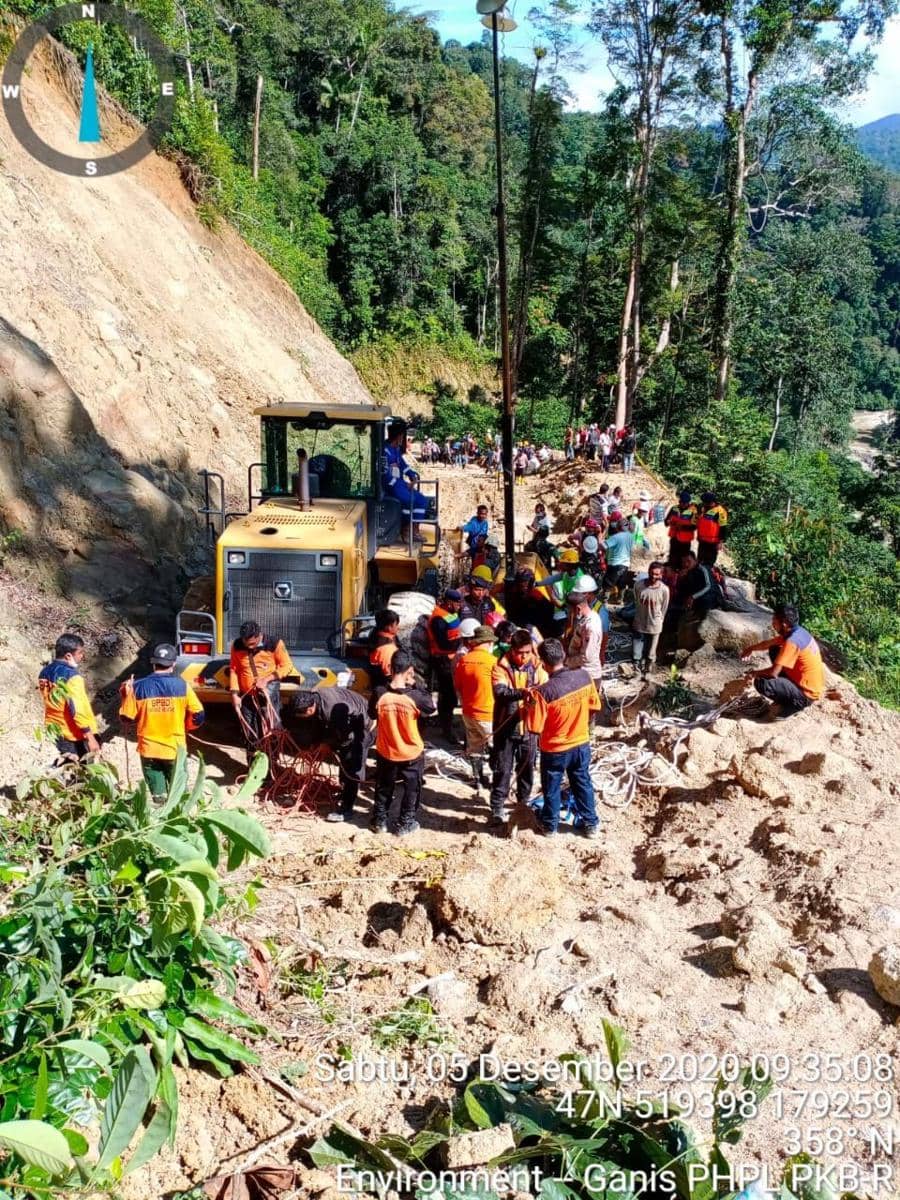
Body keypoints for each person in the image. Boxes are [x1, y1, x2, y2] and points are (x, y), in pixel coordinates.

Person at [524, 639, 601, 838]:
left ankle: (550, 826)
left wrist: (528, 705)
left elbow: (534, 727)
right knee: (582, 782)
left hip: (555, 749)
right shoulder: (584, 676)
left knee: (552, 787)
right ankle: (591, 824)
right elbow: (594, 707)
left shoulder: (543, 693)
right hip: (581, 743)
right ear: (563, 655)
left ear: (543, 663)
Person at [119, 644, 204, 798]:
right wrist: (187, 726)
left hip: (149, 750)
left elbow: (126, 718)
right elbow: (198, 715)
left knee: (159, 798)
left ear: (153, 664)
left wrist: (126, 694)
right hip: (175, 750)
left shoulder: (138, 687)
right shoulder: (182, 686)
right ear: (173, 664)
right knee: (178, 797)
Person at [369, 652, 436, 834]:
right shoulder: (416, 696)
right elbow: (431, 707)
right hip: (411, 752)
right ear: (410, 671)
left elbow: (372, 715)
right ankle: (405, 824)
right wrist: (415, 684)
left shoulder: (379, 692)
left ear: (390, 668)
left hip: (386, 749)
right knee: (411, 789)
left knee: (384, 786)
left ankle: (379, 821)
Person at [293, 686, 374, 822]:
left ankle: (347, 808)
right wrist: (316, 743)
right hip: (348, 721)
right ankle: (344, 791)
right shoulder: (315, 697)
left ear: (310, 709)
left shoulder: (333, 711)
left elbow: (346, 738)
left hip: (365, 725)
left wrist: (328, 745)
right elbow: (318, 723)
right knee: (344, 759)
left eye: (302, 715)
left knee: (352, 765)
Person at [229, 621, 297, 766]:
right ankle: (253, 767)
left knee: (270, 729)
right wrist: (234, 694)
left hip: (268, 695)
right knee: (249, 731)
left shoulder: (274, 643)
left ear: (259, 635)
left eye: (253, 644)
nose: (250, 647)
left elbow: (287, 666)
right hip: (246, 697)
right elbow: (234, 669)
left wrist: (266, 679)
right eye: (247, 644)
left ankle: (272, 765)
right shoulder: (237, 645)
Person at [740, 604, 825, 718]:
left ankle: (791, 706)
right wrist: (750, 649)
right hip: (806, 684)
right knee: (774, 649)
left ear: (784, 624)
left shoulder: (792, 642)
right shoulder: (798, 632)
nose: (773, 624)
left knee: (761, 682)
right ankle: (785, 689)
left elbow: (773, 673)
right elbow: (769, 643)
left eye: (774, 621)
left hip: (806, 695)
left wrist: (753, 673)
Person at [38, 632, 100, 760]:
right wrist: (90, 737)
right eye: (80, 653)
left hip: (54, 730)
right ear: (68, 655)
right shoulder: (72, 677)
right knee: (80, 773)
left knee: (64, 770)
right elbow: (78, 710)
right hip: (73, 735)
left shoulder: (44, 672)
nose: (82, 656)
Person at [453, 623, 498, 795]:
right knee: (495, 748)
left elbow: (458, 686)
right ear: (487, 642)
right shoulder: (492, 662)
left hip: (468, 712)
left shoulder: (463, 660)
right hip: (487, 713)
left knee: (475, 747)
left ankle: (478, 780)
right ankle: (496, 781)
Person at [427, 588, 464, 740]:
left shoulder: (450, 613)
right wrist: (459, 645)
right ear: (449, 603)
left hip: (452, 659)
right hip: (443, 661)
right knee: (448, 695)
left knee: (452, 694)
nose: (459, 606)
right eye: (457, 603)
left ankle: (447, 721)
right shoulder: (438, 619)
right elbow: (443, 644)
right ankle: (446, 729)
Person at [564, 576, 605, 696]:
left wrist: (567, 662)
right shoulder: (586, 618)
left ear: (577, 609)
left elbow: (586, 657)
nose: (570, 614)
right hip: (581, 674)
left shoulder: (590, 627)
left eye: (570, 611)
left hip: (588, 676)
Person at [383, 420, 431, 520]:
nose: (403, 439)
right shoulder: (384, 451)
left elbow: (403, 465)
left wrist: (412, 474)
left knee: (422, 500)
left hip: (399, 484)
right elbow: (385, 476)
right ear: (398, 436)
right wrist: (405, 485)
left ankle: (414, 529)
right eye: (402, 436)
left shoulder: (396, 450)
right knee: (409, 500)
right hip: (390, 486)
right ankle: (405, 528)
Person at [632, 562, 670, 677]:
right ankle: (636, 669)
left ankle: (648, 669)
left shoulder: (664, 590)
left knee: (651, 651)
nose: (654, 576)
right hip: (639, 622)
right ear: (648, 572)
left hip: (655, 624)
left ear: (661, 575)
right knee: (637, 650)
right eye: (652, 573)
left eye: (657, 574)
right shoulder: (639, 585)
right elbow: (636, 600)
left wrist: (659, 619)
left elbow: (664, 607)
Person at [535, 547, 583, 625]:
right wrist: (537, 583)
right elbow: (553, 578)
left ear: (569, 565)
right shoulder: (567, 573)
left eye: (563, 563)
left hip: (575, 611)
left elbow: (576, 605)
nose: (559, 564)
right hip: (567, 606)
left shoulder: (579, 581)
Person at [503, 568, 556, 637]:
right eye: (522, 582)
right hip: (513, 619)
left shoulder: (535, 594)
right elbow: (495, 589)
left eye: (526, 582)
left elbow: (549, 610)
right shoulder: (511, 587)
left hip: (530, 623)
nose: (524, 585)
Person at [665, 490, 698, 570]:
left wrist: (682, 527)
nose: (682, 504)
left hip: (685, 541)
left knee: (683, 562)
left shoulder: (693, 511)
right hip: (674, 538)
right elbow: (666, 521)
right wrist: (668, 522)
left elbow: (694, 526)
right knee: (672, 560)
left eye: (685, 503)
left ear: (688, 503)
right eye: (681, 502)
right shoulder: (674, 509)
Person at [368, 608, 400, 690]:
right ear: (389, 627)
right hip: (386, 688)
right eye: (396, 624)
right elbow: (389, 675)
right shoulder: (387, 649)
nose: (398, 627)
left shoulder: (376, 636)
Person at [696, 492, 729, 565]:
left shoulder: (720, 511)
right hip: (702, 541)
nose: (704, 504)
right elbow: (700, 523)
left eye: (706, 503)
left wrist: (720, 542)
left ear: (712, 502)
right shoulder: (703, 508)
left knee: (708, 563)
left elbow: (723, 527)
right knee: (699, 562)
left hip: (713, 542)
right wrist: (698, 536)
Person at [602, 520, 634, 595]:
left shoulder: (615, 537)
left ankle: (604, 600)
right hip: (625, 564)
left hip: (615, 564)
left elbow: (604, 546)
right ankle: (620, 599)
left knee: (608, 583)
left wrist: (600, 541)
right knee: (621, 583)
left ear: (618, 527)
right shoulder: (630, 537)